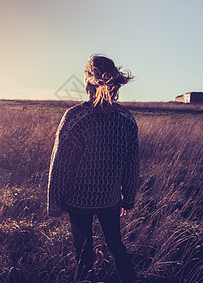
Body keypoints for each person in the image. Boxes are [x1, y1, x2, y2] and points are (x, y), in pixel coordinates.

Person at [47, 55, 139, 283]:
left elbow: (60, 165)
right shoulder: (127, 119)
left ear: (87, 82)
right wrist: (127, 199)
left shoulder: (75, 117)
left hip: (78, 202)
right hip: (110, 200)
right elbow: (132, 164)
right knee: (116, 246)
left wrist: (54, 203)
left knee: (84, 255)